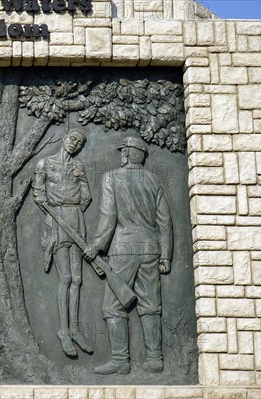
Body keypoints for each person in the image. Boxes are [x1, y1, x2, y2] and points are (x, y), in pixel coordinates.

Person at [84, 136, 173, 375]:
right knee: (151, 304)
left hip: (123, 249)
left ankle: (120, 361)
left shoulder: (112, 178)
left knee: (113, 306)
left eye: (122, 151)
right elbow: (164, 220)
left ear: (125, 155)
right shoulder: (153, 180)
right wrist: (166, 255)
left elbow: (108, 217)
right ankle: (155, 359)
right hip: (150, 249)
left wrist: (96, 246)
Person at [33, 130, 93, 357]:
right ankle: (64, 331)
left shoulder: (78, 167)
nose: (74, 144)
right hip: (56, 221)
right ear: (64, 138)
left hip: (76, 220)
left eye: (79, 142)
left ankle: (76, 328)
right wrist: (56, 210)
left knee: (77, 279)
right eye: (72, 139)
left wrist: (72, 209)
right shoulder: (44, 164)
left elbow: (86, 196)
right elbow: (38, 195)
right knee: (65, 278)